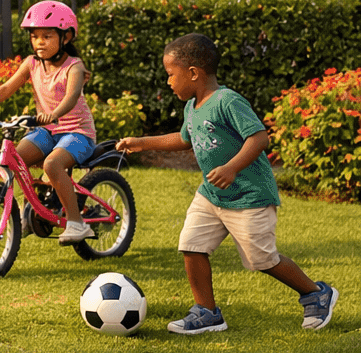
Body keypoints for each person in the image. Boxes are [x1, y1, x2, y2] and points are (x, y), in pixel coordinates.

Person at [119, 33, 338, 334]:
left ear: (193, 73)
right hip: (212, 196)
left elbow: (260, 137)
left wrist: (232, 168)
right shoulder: (192, 106)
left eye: (171, 74)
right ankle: (207, 312)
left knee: (262, 259)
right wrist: (142, 143)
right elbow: (184, 139)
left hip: (249, 196)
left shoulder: (227, 100)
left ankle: (315, 292)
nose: (168, 82)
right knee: (191, 246)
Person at [0, 0, 97, 244]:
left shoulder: (74, 66)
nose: (39, 42)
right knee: (14, 163)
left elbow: (72, 97)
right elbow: (8, 87)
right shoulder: (32, 63)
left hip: (78, 132)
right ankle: (33, 209)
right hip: (47, 131)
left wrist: (54, 114)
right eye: (34, 36)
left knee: (52, 165)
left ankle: (77, 222)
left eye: (47, 36)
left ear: (66, 37)